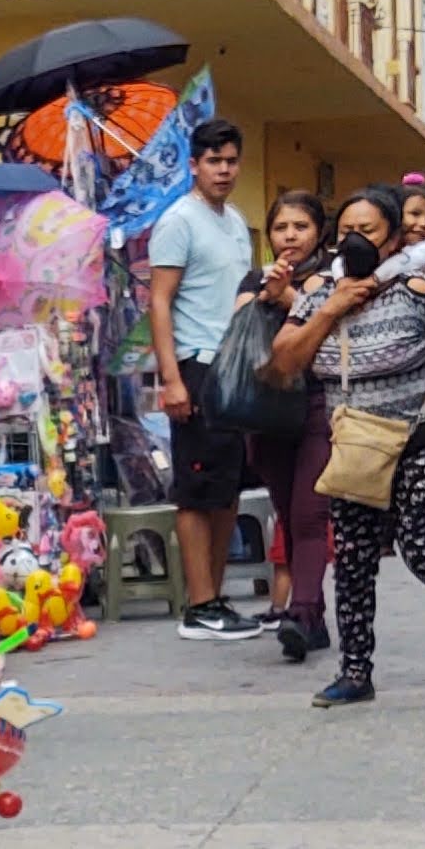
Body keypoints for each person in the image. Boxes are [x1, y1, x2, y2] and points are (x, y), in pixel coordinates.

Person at [270, 181, 425, 705]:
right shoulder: (314, 295)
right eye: (347, 230)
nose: (355, 240)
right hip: (353, 441)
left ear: (394, 239)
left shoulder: (415, 292)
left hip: (420, 435)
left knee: (424, 550)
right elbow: (285, 362)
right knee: (352, 557)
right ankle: (356, 672)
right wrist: (331, 309)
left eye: (367, 231)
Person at [142, 118, 259, 637]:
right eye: (214, 161)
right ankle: (199, 604)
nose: (224, 169)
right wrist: (171, 379)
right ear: (194, 165)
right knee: (195, 489)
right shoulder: (178, 221)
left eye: (231, 160)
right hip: (194, 364)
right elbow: (159, 301)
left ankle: (217, 598)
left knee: (227, 486)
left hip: (235, 366)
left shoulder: (234, 220)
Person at [246, 188, 336, 663]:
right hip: (265, 411)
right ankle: (315, 616)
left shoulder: (331, 280)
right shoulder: (255, 277)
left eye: (300, 226)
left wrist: (292, 298)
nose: (290, 236)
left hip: (318, 405)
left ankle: (299, 613)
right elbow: (239, 325)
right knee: (287, 508)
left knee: (309, 514)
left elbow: (328, 328)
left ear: (319, 232)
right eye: (281, 227)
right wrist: (265, 294)